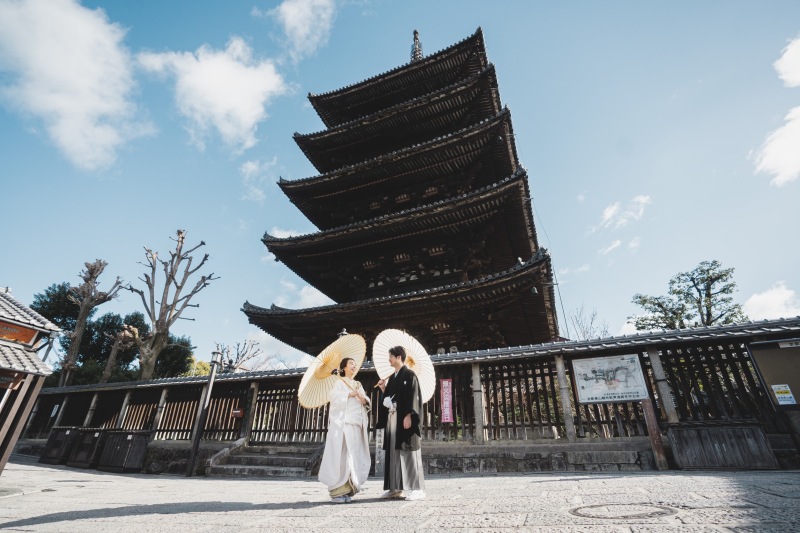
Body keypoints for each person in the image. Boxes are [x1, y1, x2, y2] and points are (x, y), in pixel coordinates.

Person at [318, 357, 372, 503]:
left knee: (354, 456)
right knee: (343, 456)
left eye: (355, 364)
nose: (354, 366)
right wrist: (349, 394)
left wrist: (363, 399)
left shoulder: (357, 384)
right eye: (351, 364)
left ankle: (347, 490)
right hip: (344, 424)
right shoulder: (339, 382)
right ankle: (336, 492)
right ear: (344, 368)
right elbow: (334, 400)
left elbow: (366, 402)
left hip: (356, 423)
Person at [375, 345, 426, 501]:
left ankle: (417, 488)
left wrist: (410, 414)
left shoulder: (410, 375)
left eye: (390, 356)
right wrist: (384, 389)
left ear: (398, 357)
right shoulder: (393, 378)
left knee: (408, 450)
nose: (389, 359)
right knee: (393, 451)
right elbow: (390, 398)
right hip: (392, 419)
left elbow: (414, 396)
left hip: (404, 418)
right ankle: (395, 488)